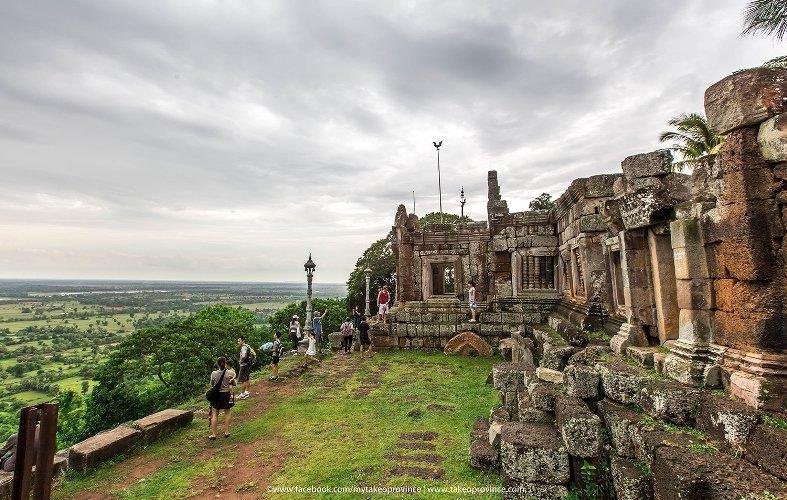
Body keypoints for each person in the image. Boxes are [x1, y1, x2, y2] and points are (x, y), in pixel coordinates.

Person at [209, 357, 236, 440]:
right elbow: (234, 383)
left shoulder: (213, 373)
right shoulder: (230, 373)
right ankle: (227, 432)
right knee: (227, 412)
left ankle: (214, 434)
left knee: (215, 414)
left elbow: (212, 384)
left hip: (216, 395)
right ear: (225, 363)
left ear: (217, 364)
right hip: (226, 394)